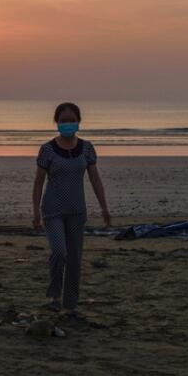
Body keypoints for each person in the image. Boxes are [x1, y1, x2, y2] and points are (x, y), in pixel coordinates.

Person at [32, 102, 111, 319]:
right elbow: (38, 182)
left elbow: (95, 179)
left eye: (71, 120)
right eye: (63, 120)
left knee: (75, 259)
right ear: (56, 123)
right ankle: (54, 293)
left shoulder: (86, 148)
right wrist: (36, 212)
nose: (67, 124)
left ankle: (70, 304)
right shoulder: (47, 150)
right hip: (53, 210)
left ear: (78, 122)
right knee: (60, 252)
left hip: (77, 210)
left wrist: (104, 207)